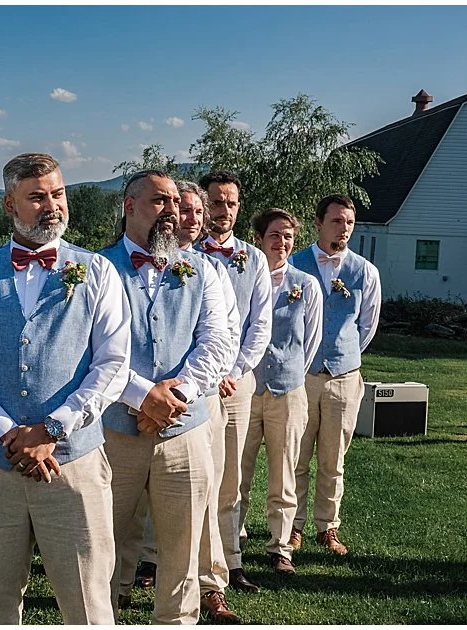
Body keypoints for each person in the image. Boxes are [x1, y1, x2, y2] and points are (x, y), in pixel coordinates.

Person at [0, 153, 128, 624]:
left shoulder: (97, 271)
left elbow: (112, 364)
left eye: (58, 194)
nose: (52, 206)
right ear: (10, 204)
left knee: (89, 603)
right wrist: (3, 431)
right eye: (37, 197)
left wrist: (53, 428)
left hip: (74, 465)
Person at [98, 170, 234, 624]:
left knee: (182, 548)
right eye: (160, 201)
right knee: (103, 541)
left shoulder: (204, 270)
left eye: (175, 202)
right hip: (114, 430)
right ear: (129, 206)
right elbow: (90, 350)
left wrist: (179, 395)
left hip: (185, 430)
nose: (172, 211)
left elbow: (217, 342)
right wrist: (142, 396)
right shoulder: (97, 269)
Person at [287, 194, 381, 557]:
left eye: (349, 223)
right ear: (318, 223)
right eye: (337, 221)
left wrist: (342, 353)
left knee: (333, 458)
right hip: (302, 376)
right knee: (296, 455)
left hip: (343, 376)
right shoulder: (293, 264)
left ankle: (327, 526)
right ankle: (292, 526)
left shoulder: (365, 271)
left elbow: (366, 326)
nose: (344, 229)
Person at [194, 172, 273, 598]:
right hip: (194, 384)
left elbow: (260, 324)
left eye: (231, 203)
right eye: (216, 202)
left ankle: (229, 559)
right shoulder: (184, 253)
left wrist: (235, 370)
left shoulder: (253, 259)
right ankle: (153, 555)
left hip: (236, 382)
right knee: (181, 471)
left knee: (230, 476)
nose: (224, 211)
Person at [244, 208, 322, 576]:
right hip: (245, 388)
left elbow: (311, 340)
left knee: (284, 471)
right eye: (275, 234)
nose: (282, 242)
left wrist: (288, 373)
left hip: (288, 389)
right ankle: (231, 541)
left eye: (288, 236)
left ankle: (280, 546)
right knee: (236, 472)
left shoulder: (306, 285)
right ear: (259, 238)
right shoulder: (244, 277)